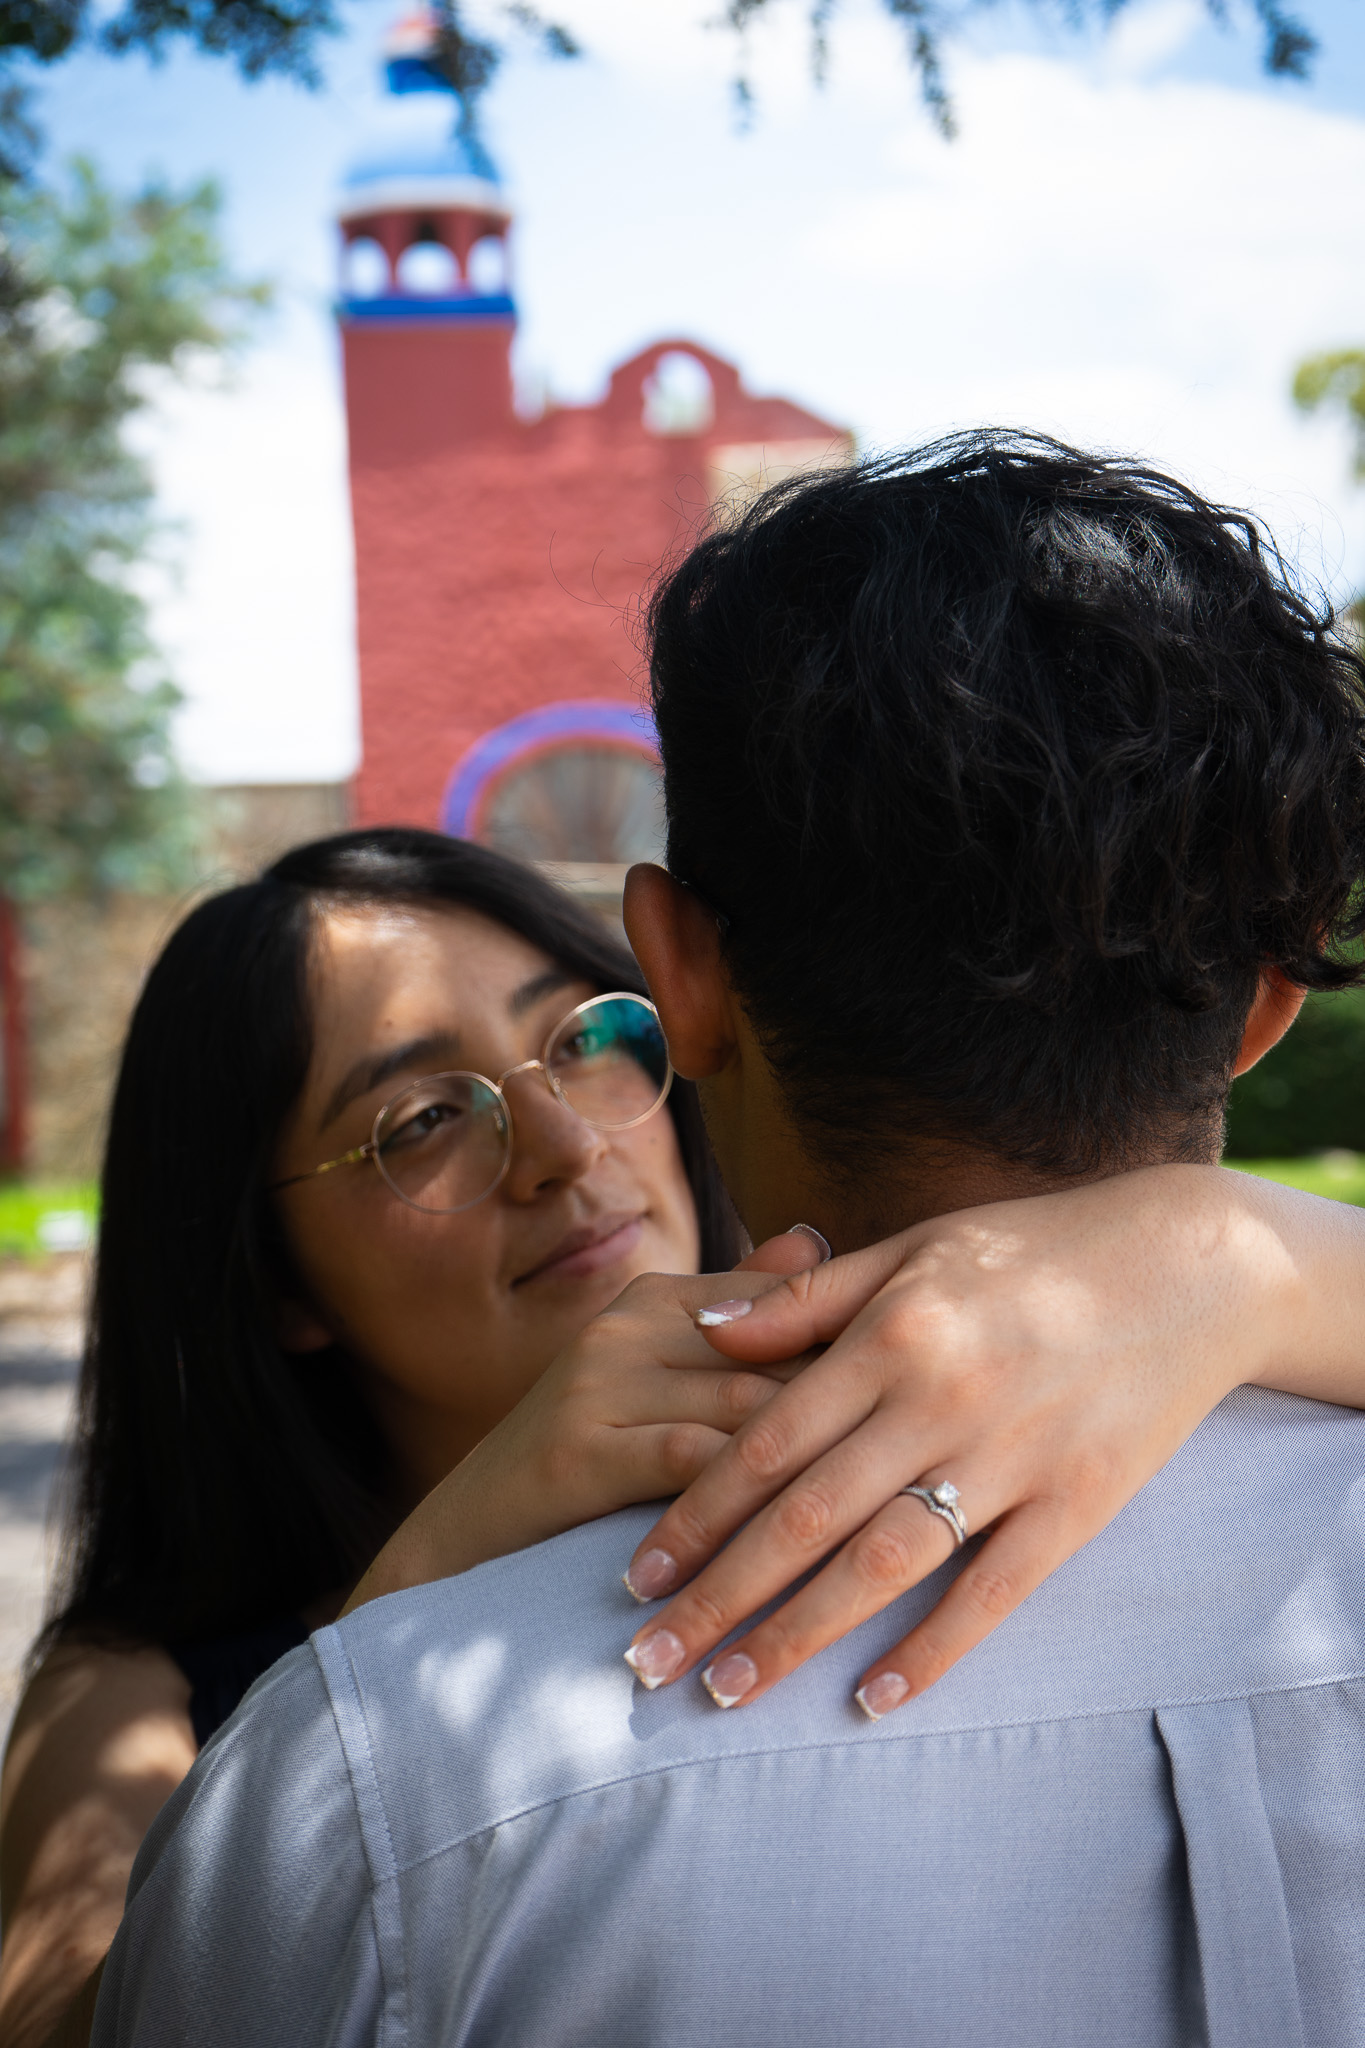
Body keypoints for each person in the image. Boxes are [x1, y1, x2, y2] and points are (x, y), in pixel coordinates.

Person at [90, 434, 1365, 2046]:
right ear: (1262, 1010)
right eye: (420, 1121)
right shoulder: (261, 1737)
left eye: (582, 1041)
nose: (560, 1151)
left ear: (672, 981)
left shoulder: (386, 1794)